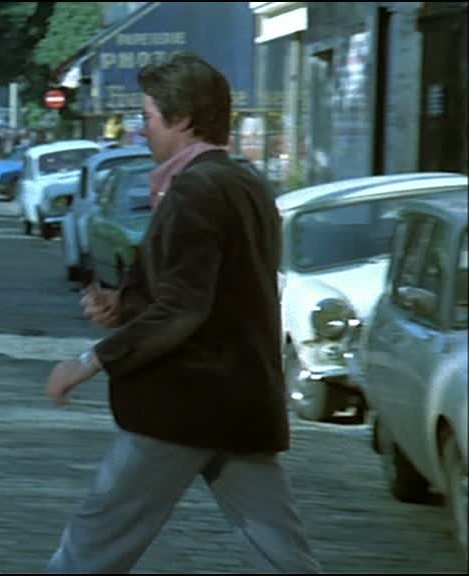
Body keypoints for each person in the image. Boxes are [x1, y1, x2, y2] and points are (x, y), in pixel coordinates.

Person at [44, 52, 322, 574]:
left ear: (183, 119)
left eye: (148, 116)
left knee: (94, 542)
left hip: (183, 402)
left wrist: (86, 363)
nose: (141, 129)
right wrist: (127, 305)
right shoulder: (245, 182)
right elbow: (217, 292)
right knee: (281, 551)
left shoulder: (195, 189)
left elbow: (183, 308)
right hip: (239, 401)